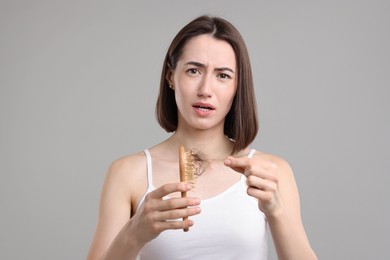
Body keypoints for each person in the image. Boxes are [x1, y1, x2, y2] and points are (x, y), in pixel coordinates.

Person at [87, 15, 317, 260]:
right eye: (194, 71)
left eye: (223, 75)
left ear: (237, 87)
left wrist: (277, 212)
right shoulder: (128, 173)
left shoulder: (271, 173)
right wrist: (134, 233)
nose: (205, 90)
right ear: (170, 77)